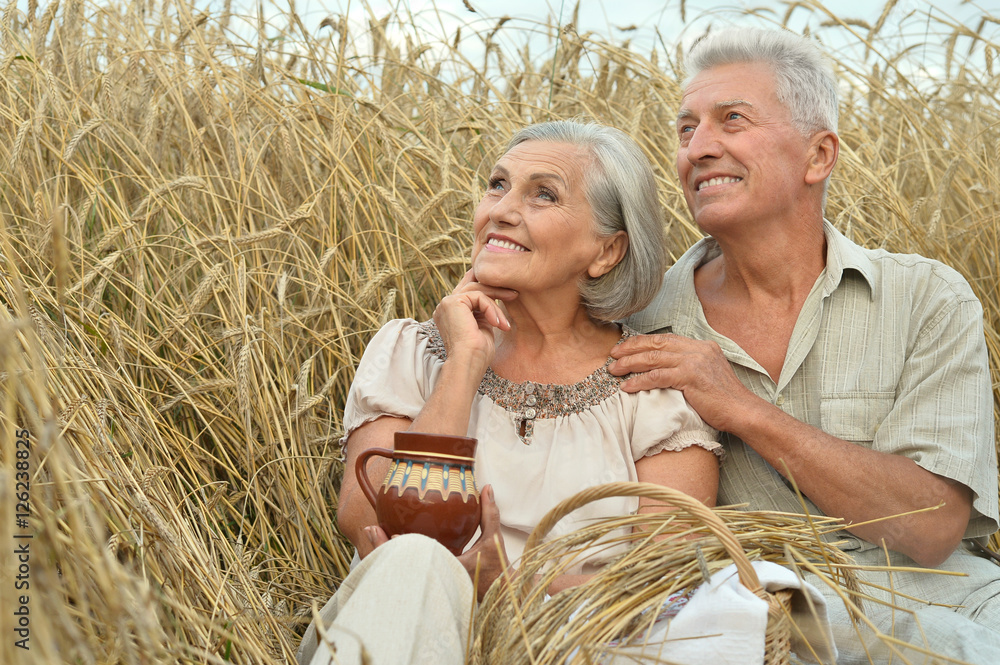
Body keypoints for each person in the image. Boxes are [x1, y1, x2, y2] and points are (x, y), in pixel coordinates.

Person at [609, 27, 1000, 664]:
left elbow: (931, 528)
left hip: (953, 605)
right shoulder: (638, 323)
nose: (699, 148)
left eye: (732, 120)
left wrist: (740, 408)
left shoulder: (927, 298)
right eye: (686, 130)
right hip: (764, 616)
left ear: (819, 156)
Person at [296, 120, 723, 665]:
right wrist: (465, 363)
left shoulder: (654, 385)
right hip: (401, 628)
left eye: (543, 194)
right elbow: (373, 526)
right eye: (497, 185)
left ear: (606, 252)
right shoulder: (415, 352)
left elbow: (664, 579)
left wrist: (515, 589)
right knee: (415, 564)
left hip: (571, 645)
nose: (500, 209)